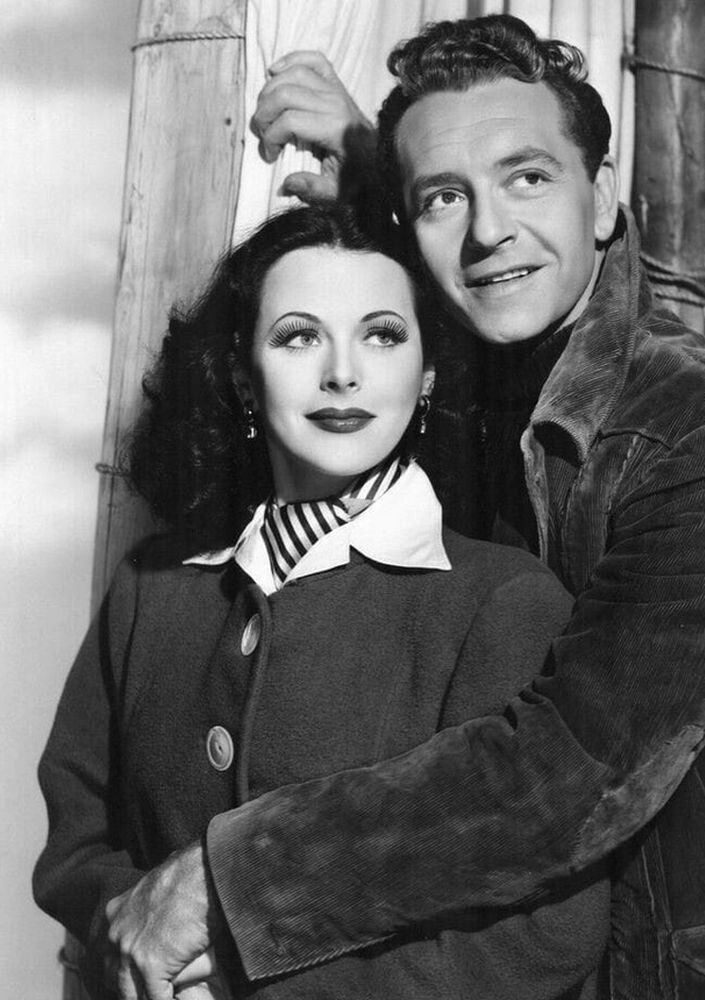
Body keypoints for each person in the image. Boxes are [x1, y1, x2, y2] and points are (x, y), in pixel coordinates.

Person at [47, 14, 705, 1000]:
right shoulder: (472, 347)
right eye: (445, 196)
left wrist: (233, 883)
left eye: (528, 177)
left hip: (652, 968)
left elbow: (571, 772)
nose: (488, 230)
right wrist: (376, 169)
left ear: (604, 197)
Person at [33, 203, 611, 1000]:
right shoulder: (150, 586)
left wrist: (249, 976)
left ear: (429, 373)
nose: (343, 372)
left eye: (383, 335)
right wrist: (139, 931)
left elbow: (549, 936)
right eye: (299, 336)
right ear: (242, 375)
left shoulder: (503, 604)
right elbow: (75, 845)